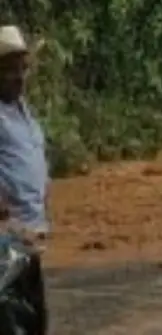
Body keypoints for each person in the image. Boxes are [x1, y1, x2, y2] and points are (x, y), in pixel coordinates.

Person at [0, 25, 49, 334]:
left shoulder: (22, 111)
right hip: (7, 241)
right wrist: (10, 222)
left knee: (34, 319)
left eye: (22, 70)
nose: (19, 78)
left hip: (29, 240)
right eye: (9, 71)